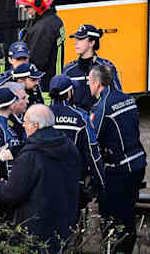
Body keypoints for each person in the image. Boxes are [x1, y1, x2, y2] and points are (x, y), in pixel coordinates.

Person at [0, 105, 82, 253]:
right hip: (64, 225)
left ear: (35, 126)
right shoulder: (69, 146)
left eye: (25, 121)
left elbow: (12, 194)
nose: (23, 125)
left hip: (34, 231)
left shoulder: (30, 156)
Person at [88, 64, 145, 254]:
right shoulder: (128, 98)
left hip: (119, 168)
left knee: (112, 215)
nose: (88, 85)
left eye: (89, 81)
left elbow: (93, 139)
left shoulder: (102, 106)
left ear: (96, 83)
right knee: (128, 212)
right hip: (138, 162)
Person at [48, 74, 104, 214]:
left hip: (45, 181)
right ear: (69, 93)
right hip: (73, 182)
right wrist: (101, 182)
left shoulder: (39, 114)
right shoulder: (80, 117)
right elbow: (92, 153)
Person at [15, 0, 66, 82]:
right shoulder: (52, 19)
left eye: (27, 6)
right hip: (52, 80)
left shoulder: (43, 27)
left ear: (39, 4)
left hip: (44, 85)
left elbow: (35, 62)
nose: (25, 10)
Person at [62, 24, 121, 110]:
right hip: (78, 121)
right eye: (75, 39)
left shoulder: (107, 67)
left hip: (100, 120)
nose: (75, 42)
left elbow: (117, 97)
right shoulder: (68, 70)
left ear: (92, 43)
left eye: (80, 39)